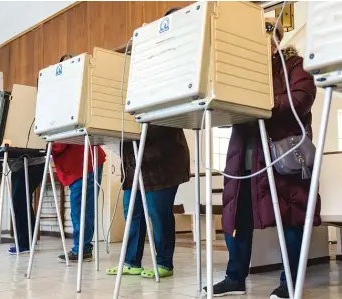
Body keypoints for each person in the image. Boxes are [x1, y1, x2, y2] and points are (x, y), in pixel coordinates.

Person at [203, 19, 320, 299]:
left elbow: (302, 98)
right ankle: (235, 278)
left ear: (277, 40)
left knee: (291, 217)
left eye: (268, 37)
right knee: (236, 218)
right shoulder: (241, 72)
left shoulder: (294, 65)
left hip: (282, 155)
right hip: (243, 155)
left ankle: (290, 282)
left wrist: (263, 104)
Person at [106, 7, 190, 277]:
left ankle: (164, 261)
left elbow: (169, 120)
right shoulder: (141, 75)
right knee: (132, 213)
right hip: (136, 159)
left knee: (158, 214)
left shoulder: (178, 70)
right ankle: (131, 261)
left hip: (164, 159)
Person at [53, 143, 106, 262]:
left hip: (84, 161)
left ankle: (82, 250)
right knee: (82, 209)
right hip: (83, 161)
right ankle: (83, 248)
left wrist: (44, 145)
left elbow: (60, 143)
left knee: (81, 210)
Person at [8, 156, 46, 254]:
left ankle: (25, 243)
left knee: (19, 201)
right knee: (22, 202)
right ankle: (28, 242)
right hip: (20, 166)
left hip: (31, 165)